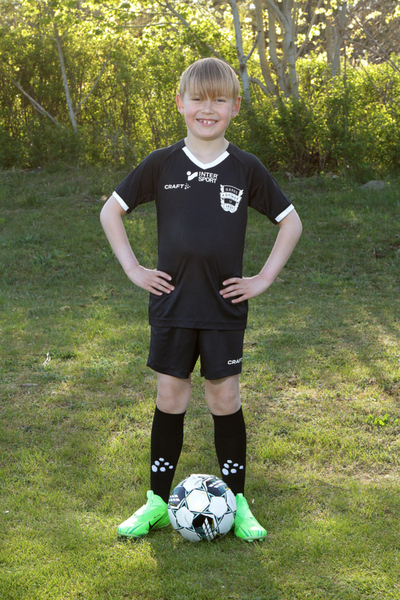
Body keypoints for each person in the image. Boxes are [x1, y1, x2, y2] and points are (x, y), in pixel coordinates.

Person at [100, 57, 302, 542]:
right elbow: (111, 211)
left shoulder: (245, 167)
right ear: (180, 103)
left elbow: (291, 222)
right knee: (170, 396)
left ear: (235, 107)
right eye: (198, 99)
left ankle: (239, 502)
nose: (207, 109)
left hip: (222, 307)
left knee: (224, 397)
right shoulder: (162, 163)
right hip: (172, 304)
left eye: (219, 100)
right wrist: (133, 269)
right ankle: (156, 501)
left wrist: (263, 278)